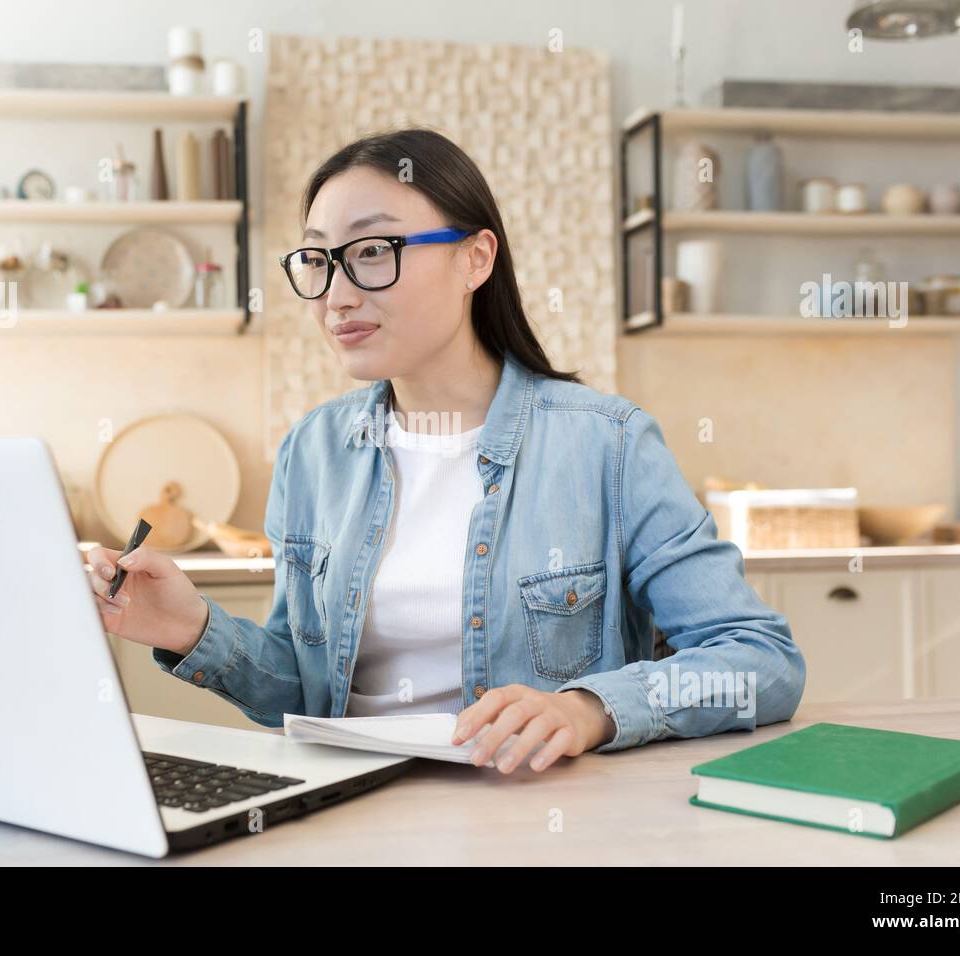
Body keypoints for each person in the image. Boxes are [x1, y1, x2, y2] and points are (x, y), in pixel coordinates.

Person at [86, 127, 805, 775]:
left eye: (371, 251)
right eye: (319, 259)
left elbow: (759, 661)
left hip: (534, 821)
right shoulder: (315, 451)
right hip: (350, 814)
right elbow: (304, 692)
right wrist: (189, 627)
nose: (335, 294)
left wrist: (589, 709)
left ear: (475, 259)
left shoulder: (606, 444)